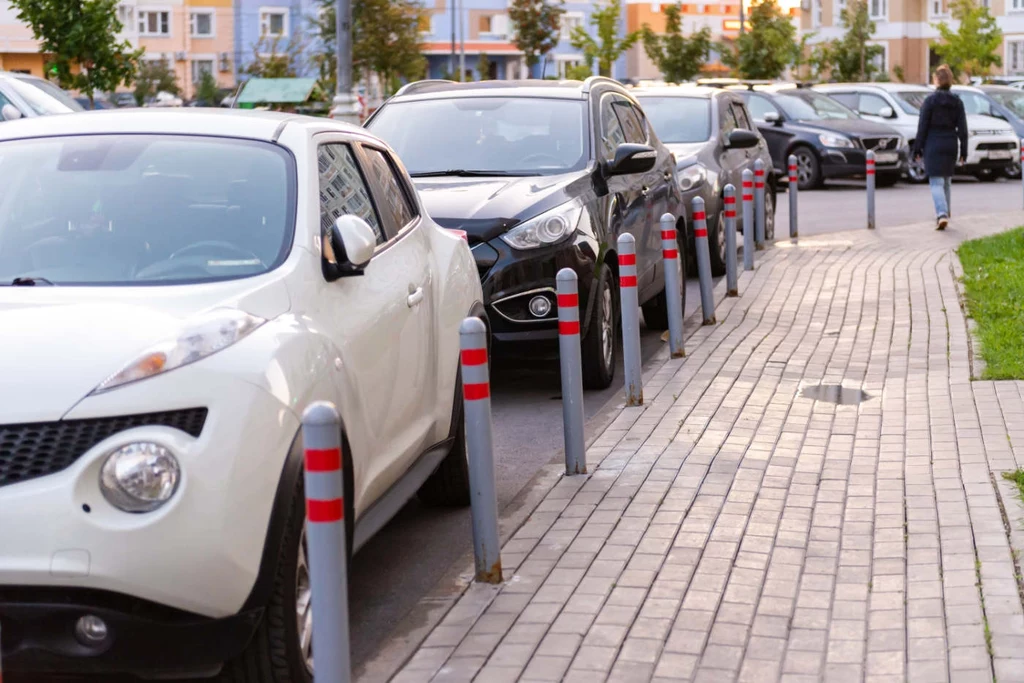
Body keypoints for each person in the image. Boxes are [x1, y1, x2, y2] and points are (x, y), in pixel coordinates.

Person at [912, 64, 968, 231]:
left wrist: (917, 148)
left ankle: (942, 214)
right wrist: (964, 151)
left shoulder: (929, 101)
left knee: (936, 181)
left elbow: (922, 126)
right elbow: (963, 129)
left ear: (936, 80)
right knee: (946, 181)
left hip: (934, 143)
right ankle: (946, 212)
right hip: (951, 143)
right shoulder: (957, 102)